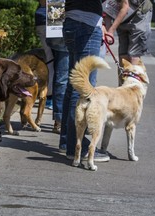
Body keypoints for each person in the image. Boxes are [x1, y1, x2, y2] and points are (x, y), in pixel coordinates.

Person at [59, 0, 110, 161]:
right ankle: (75, 146)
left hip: (73, 21)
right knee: (83, 87)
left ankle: (67, 141)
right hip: (86, 24)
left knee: (73, 84)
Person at [103, 0, 153, 85]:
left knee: (133, 56)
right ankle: (122, 89)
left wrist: (111, 30)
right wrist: (107, 35)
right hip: (121, 17)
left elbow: (125, 7)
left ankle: (133, 89)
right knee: (123, 58)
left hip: (139, 15)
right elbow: (107, 10)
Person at [35, 0, 54, 110]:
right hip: (50, 15)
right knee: (53, 59)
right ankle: (49, 96)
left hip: (47, 15)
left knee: (51, 59)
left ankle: (49, 96)